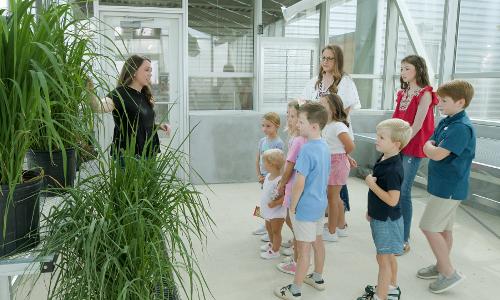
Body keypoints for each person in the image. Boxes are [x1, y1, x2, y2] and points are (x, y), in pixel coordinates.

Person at [418, 80, 475, 294]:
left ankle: (449, 273)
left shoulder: (461, 128)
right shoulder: (447, 121)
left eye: (444, 100)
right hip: (442, 184)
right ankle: (441, 265)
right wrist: (429, 147)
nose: (439, 104)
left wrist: (429, 148)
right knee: (443, 229)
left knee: (429, 226)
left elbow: (436, 152)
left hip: (449, 188)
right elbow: (431, 143)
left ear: (460, 102)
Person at [300, 44, 361, 231]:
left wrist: (331, 122)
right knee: (325, 180)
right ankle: (330, 215)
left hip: (336, 135)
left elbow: (345, 110)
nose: (325, 62)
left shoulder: (345, 82)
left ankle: (339, 220)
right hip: (318, 136)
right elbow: (303, 103)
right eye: (323, 58)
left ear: (337, 61)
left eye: (329, 58)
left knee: (337, 184)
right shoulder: (315, 81)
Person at [275, 102, 330, 300]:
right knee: (318, 242)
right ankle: (318, 277)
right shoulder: (324, 146)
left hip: (304, 207)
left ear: (314, 126)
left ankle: (295, 290)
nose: (297, 125)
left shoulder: (306, 150)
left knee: (304, 249)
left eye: (301, 121)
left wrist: (293, 204)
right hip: (320, 204)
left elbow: (299, 183)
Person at [358, 118, 412, 300]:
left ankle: (381, 296)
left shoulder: (392, 169)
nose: (377, 139)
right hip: (381, 217)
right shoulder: (386, 157)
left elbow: (392, 199)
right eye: (377, 135)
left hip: (387, 221)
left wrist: (370, 184)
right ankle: (391, 287)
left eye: (382, 137)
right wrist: (371, 210)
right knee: (387, 257)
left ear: (396, 144)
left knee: (383, 260)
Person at [392, 55, 438, 254]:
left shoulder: (425, 93)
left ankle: (404, 239)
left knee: (404, 192)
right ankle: (394, 232)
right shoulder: (403, 93)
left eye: (407, 68)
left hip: (412, 145)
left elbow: (418, 125)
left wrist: (401, 143)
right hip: (399, 144)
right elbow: (395, 119)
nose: (403, 72)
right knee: (394, 188)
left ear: (418, 70)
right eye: (401, 69)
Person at [89, 55, 171, 160]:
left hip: (149, 154)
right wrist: (89, 91)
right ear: (134, 72)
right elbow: (98, 107)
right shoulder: (119, 94)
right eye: (147, 70)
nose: (150, 74)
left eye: (151, 71)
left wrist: (158, 126)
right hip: (130, 157)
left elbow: (138, 123)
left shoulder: (144, 95)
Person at [276, 100, 307, 275]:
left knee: (293, 220)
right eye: (287, 115)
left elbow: (290, 164)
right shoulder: (294, 136)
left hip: (294, 184)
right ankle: (297, 249)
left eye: (293, 116)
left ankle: (297, 259)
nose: (289, 119)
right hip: (292, 183)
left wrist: (281, 183)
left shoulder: (299, 140)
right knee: (291, 218)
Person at [319, 94, 355, 242]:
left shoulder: (338, 126)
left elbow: (350, 145)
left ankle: (332, 231)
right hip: (331, 162)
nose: (320, 106)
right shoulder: (326, 125)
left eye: (323, 104)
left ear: (333, 108)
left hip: (337, 163)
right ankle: (340, 226)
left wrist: (344, 156)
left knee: (332, 198)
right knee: (336, 197)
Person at [253, 112, 285, 237]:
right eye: (263, 126)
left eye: (268, 126)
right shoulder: (262, 141)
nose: (264, 129)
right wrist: (259, 175)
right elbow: (258, 159)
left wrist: (276, 179)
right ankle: (265, 223)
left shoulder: (279, 143)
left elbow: (280, 163)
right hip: (263, 178)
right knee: (263, 200)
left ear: (276, 126)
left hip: (272, 178)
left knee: (271, 200)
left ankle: (271, 226)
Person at [259, 149, 287, 259]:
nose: (263, 164)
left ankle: (275, 250)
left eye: (264, 162)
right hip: (268, 210)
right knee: (268, 228)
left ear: (272, 164)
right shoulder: (268, 176)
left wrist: (275, 203)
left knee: (276, 231)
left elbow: (284, 196)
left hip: (277, 211)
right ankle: (272, 244)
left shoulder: (280, 180)